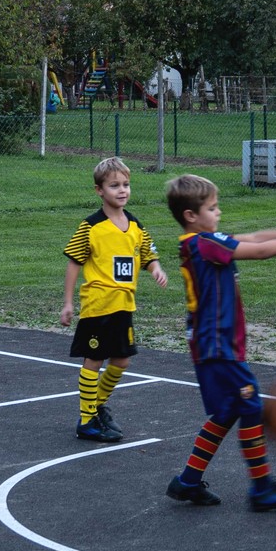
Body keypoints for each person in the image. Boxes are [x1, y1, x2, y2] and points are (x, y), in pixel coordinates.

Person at [163, 173, 276, 512]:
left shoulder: (206, 240)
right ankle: (261, 489)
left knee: (227, 412)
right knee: (251, 405)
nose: (219, 212)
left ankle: (187, 481)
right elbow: (259, 251)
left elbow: (255, 236)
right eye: (212, 207)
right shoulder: (203, 244)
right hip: (218, 346)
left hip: (214, 345)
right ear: (190, 217)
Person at [61, 157, 169, 443]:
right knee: (94, 358)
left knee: (121, 360)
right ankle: (87, 421)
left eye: (126, 184)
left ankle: (97, 406)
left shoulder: (135, 225)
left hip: (124, 305)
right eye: (114, 186)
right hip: (98, 304)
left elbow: (148, 254)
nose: (122, 190)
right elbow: (74, 261)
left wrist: (156, 268)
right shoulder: (91, 226)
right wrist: (68, 302)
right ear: (99, 191)